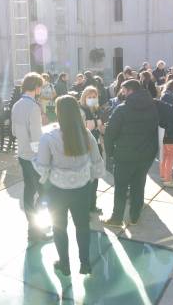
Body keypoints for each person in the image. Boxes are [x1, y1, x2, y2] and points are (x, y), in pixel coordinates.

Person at [33, 95, 105, 276]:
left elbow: (42, 167)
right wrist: (91, 178)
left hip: (57, 190)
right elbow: (97, 162)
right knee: (82, 226)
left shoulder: (48, 137)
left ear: (58, 113)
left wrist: (35, 160)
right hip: (81, 189)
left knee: (59, 228)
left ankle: (64, 264)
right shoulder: (87, 134)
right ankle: (85, 263)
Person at [104, 79, 159, 227]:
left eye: (123, 90)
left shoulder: (122, 109)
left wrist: (109, 153)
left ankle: (117, 218)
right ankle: (135, 216)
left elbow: (110, 133)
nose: (122, 93)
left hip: (124, 156)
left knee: (121, 188)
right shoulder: (153, 106)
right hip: (145, 155)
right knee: (139, 184)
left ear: (129, 90)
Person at [12, 72, 51, 241]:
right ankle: (35, 227)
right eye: (40, 87)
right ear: (36, 87)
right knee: (44, 191)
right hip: (33, 156)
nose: (41, 89)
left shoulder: (17, 105)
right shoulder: (33, 107)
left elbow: (14, 131)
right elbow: (36, 137)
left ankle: (33, 225)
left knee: (29, 190)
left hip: (22, 153)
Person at [79, 86, 105, 214]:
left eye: (94, 97)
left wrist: (101, 126)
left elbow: (101, 129)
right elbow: (83, 128)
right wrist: (97, 123)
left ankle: (92, 206)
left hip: (97, 146)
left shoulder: (97, 110)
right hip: (86, 147)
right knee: (86, 179)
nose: (92, 99)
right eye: (89, 97)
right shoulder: (81, 110)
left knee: (95, 177)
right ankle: (84, 207)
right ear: (84, 97)